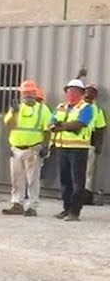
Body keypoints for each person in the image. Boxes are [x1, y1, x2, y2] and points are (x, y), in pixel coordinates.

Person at [2, 80, 52, 216]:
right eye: (25, 94)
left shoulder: (43, 109)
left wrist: (45, 146)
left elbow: (48, 130)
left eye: (30, 93)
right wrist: (13, 112)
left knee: (33, 179)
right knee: (16, 179)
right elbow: (8, 125)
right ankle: (17, 203)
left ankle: (32, 206)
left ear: (35, 94)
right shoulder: (17, 109)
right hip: (16, 148)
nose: (27, 96)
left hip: (33, 149)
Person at [49, 79, 97, 221]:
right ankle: (66, 208)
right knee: (65, 181)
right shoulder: (61, 106)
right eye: (69, 91)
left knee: (78, 182)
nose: (71, 94)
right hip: (62, 147)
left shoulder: (86, 108)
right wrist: (61, 125)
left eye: (75, 91)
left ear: (81, 94)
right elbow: (51, 123)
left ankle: (75, 212)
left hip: (78, 148)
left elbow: (79, 124)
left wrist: (61, 125)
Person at [84, 82, 106, 193]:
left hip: (90, 142)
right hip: (74, 142)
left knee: (88, 170)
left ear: (95, 95)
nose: (88, 93)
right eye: (87, 90)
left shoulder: (97, 110)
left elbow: (100, 128)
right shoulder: (76, 106)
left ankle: (86, 192)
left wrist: (99, 145)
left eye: (92, 91)